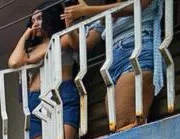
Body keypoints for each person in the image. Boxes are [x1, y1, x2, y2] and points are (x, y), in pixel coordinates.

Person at [63, 0, 162, 132]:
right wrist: (69, 25)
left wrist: (87, 10)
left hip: (136, 53)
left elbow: (135, 6)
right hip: (113, 65)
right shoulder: (107, 11)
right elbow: (82, 45)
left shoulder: (112, 9)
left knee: (125, 124)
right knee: (116, 126)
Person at [9, 5, 80, 139]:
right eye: (32, 20)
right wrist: (26, 34)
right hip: (36, 100)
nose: (35, 23)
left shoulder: (63, 37)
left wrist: (69, 26)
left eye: (40, 18)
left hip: (61, 92)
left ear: (50, 17)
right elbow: (14, 62)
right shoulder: (30, 50)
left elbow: (77, 45)